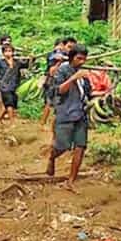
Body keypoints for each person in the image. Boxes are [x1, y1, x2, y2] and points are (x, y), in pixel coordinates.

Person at [46, 44, 91, 192]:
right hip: (66, 114)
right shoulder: (63, 70)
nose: (82, 62)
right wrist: (73, 78)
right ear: (72, 58)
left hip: (81, 114)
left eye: (84, 59)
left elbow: (87, 93)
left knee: (80, 147)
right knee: (62, 146)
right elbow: (59, 90)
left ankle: (71, 180)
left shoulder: (84, 74)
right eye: (79, 58)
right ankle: (52, 157)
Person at [0, 45, 31, 124]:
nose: (8, 53)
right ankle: (12, 122)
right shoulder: (0, 63)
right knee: (9, 103)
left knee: (11, 104)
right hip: (4, 86)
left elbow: (27, 65)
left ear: (13, 52)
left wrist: (32, 58)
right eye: (6, 51)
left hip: (14, 86)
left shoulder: (17, 62)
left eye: (10, 51)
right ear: (3, 53)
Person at [40, 38, 67, 129]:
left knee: (53, 104)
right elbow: (52, 71)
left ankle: (47, 124)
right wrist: (60, 61)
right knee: (50, 103)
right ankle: (43, 123)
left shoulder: (64, 55)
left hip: (59, 81)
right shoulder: (53, 55)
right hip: (52, 82)